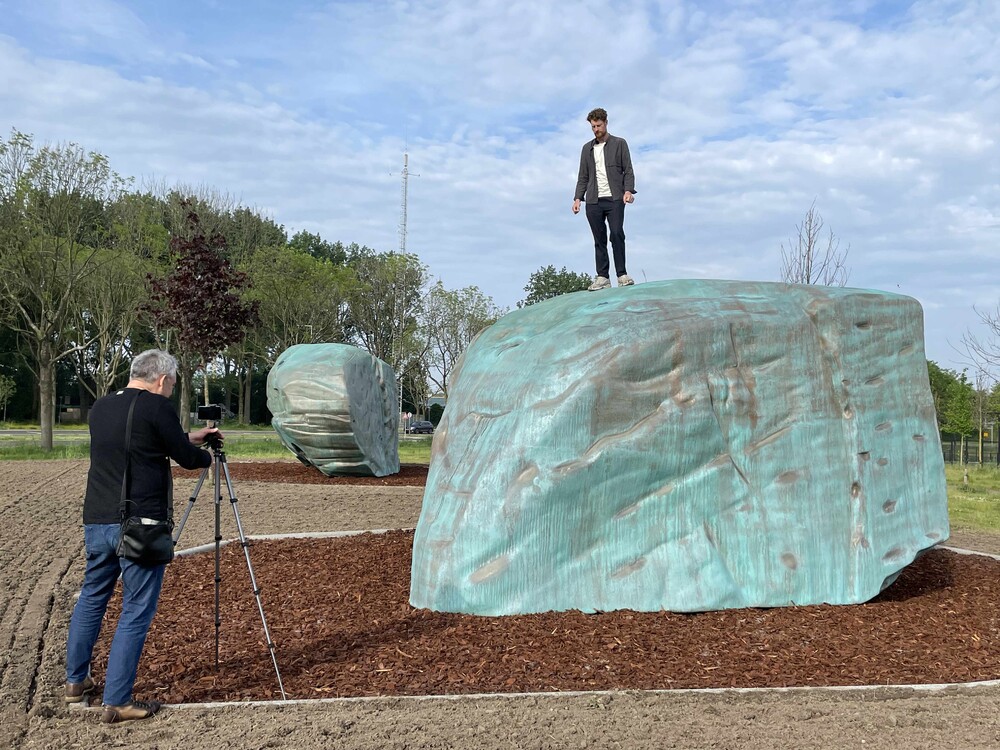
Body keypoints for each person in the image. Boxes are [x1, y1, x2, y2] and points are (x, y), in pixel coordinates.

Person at [64, 349, 220, 723]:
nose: (170, 392)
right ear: (162, 380)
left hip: (98, 520)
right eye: (172, 385)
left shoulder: (102, 407)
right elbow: (183, 456)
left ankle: (75, 682)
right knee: (136, 609)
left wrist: (189, 436)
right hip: (140, 525)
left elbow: (140, 440)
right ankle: (117, 701)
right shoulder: (156, 406)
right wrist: (207, 456)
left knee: (91, 599)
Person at [572, 107, 637, 291]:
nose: (596, 130)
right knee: (598, 239)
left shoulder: (620, 143)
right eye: (593, 127)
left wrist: (628, 190)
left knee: (616, 234)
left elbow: (628, 170)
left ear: (606, 123)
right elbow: (582, 176)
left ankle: (622, 275)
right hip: (593, 200)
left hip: (615, 198)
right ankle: (602, 277)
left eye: (598, 125)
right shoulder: (587, 149)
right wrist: (578, 198)